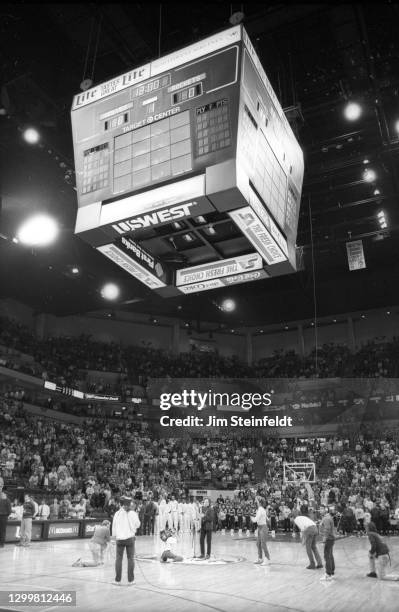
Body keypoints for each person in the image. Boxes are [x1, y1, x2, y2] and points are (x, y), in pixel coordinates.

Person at [111, 496, 140, 586]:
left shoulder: (117, 513)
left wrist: (113, 539)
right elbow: (138, 525)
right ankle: (131, 581)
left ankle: (117, 581)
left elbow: (114, 527)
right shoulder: (133, 513)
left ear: (121, 504)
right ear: (129, 504)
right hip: (130, 539)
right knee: (130, 559)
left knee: (118, 559)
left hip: (119, 540)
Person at [294, 506, 323, 570]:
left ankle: (312, 564)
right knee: (314, 547)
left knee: (308, 548)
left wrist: (303, 541)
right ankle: (319, 563)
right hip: (315, 528)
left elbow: (303, 530)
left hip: (309, 529)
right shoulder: (304, 517)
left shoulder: (296, 519)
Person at [251, 497, 271, 565]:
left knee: (263, 544)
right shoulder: (261, 509)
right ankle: (260, 559)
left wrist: (251, 517)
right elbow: (267, 518)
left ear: (259, 503)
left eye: (256, 501)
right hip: (260, 528)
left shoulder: (260, 510)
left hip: (263, 528)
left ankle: (267, 559)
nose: (255, 502)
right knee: (258, 543)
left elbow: (255, 520)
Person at [319, 506, 335, 581]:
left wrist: (324, 540)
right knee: (330, 556)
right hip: (330, 539)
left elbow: (327, 529)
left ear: (325, 510)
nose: (320, 510)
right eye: (320, 509)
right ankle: (331, 572)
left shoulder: (326, 518)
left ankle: (328, 574)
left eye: (321, 509)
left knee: (327, 556)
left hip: (328, 539)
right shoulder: (327, 517)